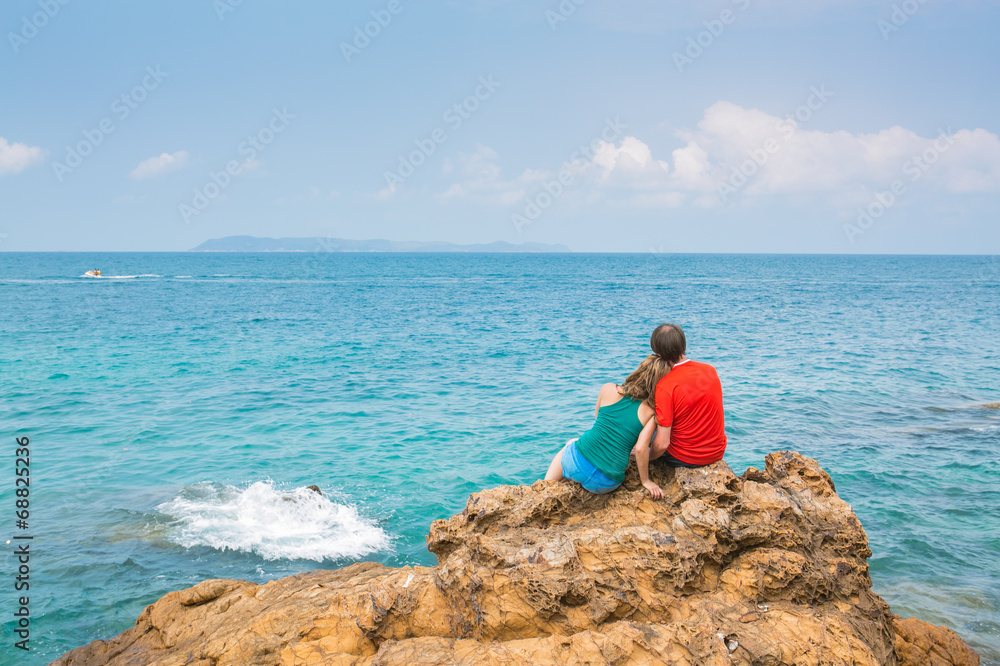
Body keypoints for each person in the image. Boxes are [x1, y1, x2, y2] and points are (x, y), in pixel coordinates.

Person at [545, 355, 670, 499]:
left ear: (639, 368)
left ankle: (544, 487)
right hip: (604, 483)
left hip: (574, 465)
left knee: (571, 444)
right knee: (583, 454)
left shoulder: (608, 388)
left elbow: (598, 419)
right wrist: (645, 481)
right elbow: (641, 449)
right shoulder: (651, 411)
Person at [644, 323, 727, 468]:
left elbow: (663, 444)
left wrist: (646, 455)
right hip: (716, 453)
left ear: (658, 354)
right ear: (683, 347)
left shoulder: (665, 385)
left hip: (685, 458)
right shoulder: (710, 370)